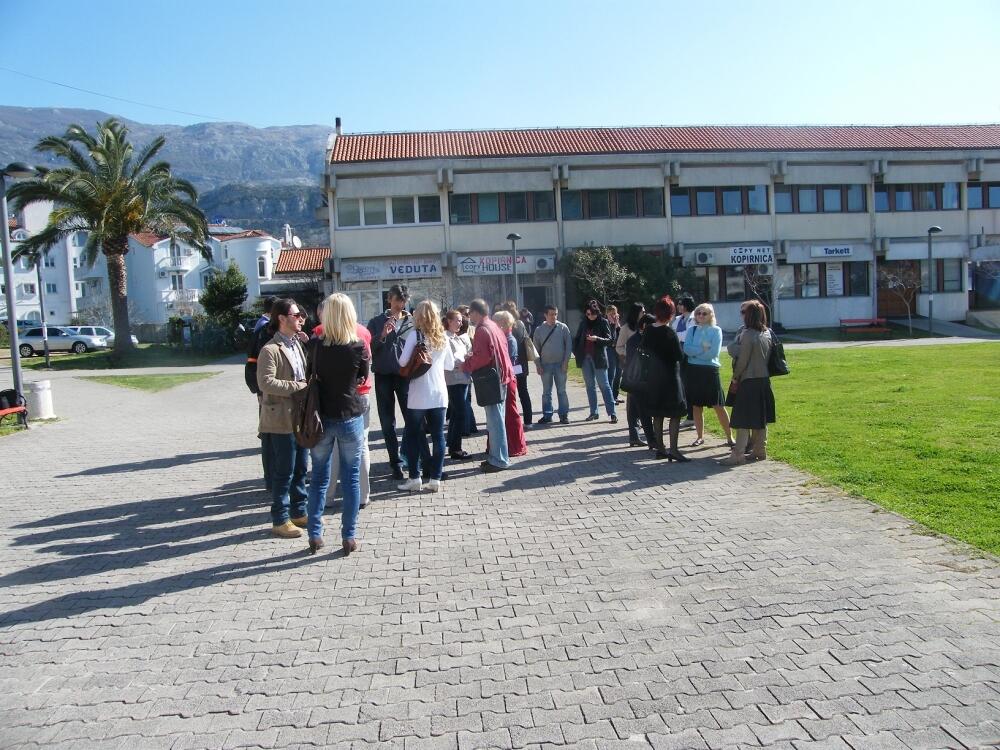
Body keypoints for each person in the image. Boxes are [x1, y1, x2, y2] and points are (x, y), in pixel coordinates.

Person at [304, 294, 369, 555]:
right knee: (351, 478)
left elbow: (310, 374)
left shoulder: (315, 344)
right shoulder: (357, 346)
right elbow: (363, 375)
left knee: (319, 477)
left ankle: (315, 534)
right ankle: (349, 536)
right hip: (350, 416)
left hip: (321, 418)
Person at [312, 303, 374, 510]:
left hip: (328, 404)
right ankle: (363, 496)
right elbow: (363, 373)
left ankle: (327, 498)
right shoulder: (362, 334)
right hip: (358, 396)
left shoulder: (318, 336)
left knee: (328, 456)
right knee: (360, 448)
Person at [256, 298, 309, 538]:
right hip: (279, 421)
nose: (301, 318)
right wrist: (298, 387)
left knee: (300, 468)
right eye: (296, 314)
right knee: (283, 472)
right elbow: (265, 382)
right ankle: (280, 518)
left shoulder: (297, 344)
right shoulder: (270, 349)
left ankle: (299, 511)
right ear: (282, 318)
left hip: (300, 417)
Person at [397, 300, 454, 492]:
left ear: (419, 316)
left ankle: (415, 477)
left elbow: (403, 361)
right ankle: (435, 479)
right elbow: (450, 365)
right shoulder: (443, 337)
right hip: (439, 392)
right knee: (438, 436)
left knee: (413, 435)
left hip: (418, 393)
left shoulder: (415, 335)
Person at [720, 299, 776, 466]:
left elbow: (742, 360)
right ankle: (760, 449)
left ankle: (738, 454)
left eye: (745, 313)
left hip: (749, 380)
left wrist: (735, 377)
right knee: (761, 417)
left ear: (749, 316)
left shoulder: (748, 334)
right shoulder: (767, 333)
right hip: (764, 380)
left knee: (743, 419)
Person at [367, 284, 414, 479]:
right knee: (388, 423)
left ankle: (409, 457)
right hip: (384, 376)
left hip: (405, 376)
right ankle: (395, 463)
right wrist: (382, 335)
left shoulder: (412, 321)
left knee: (412, 420)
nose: (400, 305)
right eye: (397, 301)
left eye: (403, 301)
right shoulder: (376, 322)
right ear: (389, 300)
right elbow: (369, 348)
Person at [462, 299, 514, 473]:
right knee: (496, 420)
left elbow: (482, 357)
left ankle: (499, 459)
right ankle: (495, 456)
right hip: (501, 377)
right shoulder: (493, 326)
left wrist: (466, 364)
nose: (469, 318)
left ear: (476, 312)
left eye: (470, 314)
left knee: (495, 422)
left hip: (492, 380)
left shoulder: (482, 330)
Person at [641, 297, 689, 462]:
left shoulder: (648, 330)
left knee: (658, 413)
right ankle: (674, 450)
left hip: (654, 377)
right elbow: (678, 356)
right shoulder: (669, 332)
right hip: (669, 377)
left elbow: (644, 351)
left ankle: (660, 448)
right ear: (670, 314)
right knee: (675, 414)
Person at [682, 303, 734, 448]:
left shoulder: (716, 330)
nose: (701, 316)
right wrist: (702, 349)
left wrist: (697, 352)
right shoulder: (691, 330)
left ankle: (730, 437)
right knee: (696, 406)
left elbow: (713, 353)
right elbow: (687, 349)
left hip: (710, 371)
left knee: (718, 405)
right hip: (694, 370)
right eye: (698, 313)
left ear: (711, 315)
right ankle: (700, 437)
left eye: (704, 313)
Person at [573, 300, 617, 423]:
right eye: (587, 314)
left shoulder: (603, 322)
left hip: (598, 358)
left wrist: (597, 339)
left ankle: (612, 413)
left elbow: (610, 340)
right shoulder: (583, 323)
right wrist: (577, 352)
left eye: (592, 314)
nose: (590, 316)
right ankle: (594, 412)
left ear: (597, 312)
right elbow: (576, 339)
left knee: (604, 385)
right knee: (590, 386)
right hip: (585, 358)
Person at [493, 311, 527, 458]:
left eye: (496, 323)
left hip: (508, 379)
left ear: (503, 323)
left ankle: (515, 445)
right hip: (503, 379)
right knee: (503, 414)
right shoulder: (503, 337)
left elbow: (509, 362)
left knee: (510, 413)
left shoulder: (510, 339)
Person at [532, 305, 572, 424]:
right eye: (551, 314)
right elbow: (535, 350)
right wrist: (538, 365)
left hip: (560, 365)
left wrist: (566, 362)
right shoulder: (539, 330)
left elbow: (568, 346)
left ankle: (563, 414)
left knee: (562, 391)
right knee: (546, 392)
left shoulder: (563, 327)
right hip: (545, 365)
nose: (554, 316)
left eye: (555, 314)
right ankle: (547, 415)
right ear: (545, 315)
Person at [624, 313, 656, 448]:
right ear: (644, 326)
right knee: (643, 411)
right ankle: (652, 440)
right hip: (639, 380)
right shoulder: (640, 339)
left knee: (633, 410)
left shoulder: (635, 339)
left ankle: (634, 437)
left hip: (632, 379)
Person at [444, 309, 472, 460]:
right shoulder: (445, 337)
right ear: (449, 321)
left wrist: (469, 357)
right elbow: (448, 360)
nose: (460, 323)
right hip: (453, 379)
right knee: (460, 413)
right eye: (457, 320)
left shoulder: (458, 337)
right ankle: (456, 448)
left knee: (456, 414)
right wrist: (463, 361)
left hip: (464, 378)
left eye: (461, 320)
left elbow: (465, 353)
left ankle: (453, 446)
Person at [503, 300, 533, 426]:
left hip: (510, 364)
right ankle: (528, 421)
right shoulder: (521, 324)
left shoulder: (506, 327)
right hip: (521, 363)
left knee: (510, 394)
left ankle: (511, 421)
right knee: (523, 391)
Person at [672, 295, 696, 429]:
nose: (678, 306)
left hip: (689, 356)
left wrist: (677, 336)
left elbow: (688, 336)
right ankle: (688, 415)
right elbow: (673, 333)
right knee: (682, 386)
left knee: (689, 386)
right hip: (679, 355)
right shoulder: (677, 319)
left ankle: (692, 417)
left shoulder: (693, 319)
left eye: (681, 304)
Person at [604, 305, 623, 404]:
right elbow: (610, 338)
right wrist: (612, 324)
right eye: (611, 314)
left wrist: (617, 325)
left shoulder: (617, 324)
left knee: (619, 373)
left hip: (618, 350)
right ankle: (610, 397)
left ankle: (615, 395)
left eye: (615, 313)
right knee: (611, 373)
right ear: (607, 314)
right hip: (610, 350)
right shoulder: (605, 323)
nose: (613, 316)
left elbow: (621, 337)